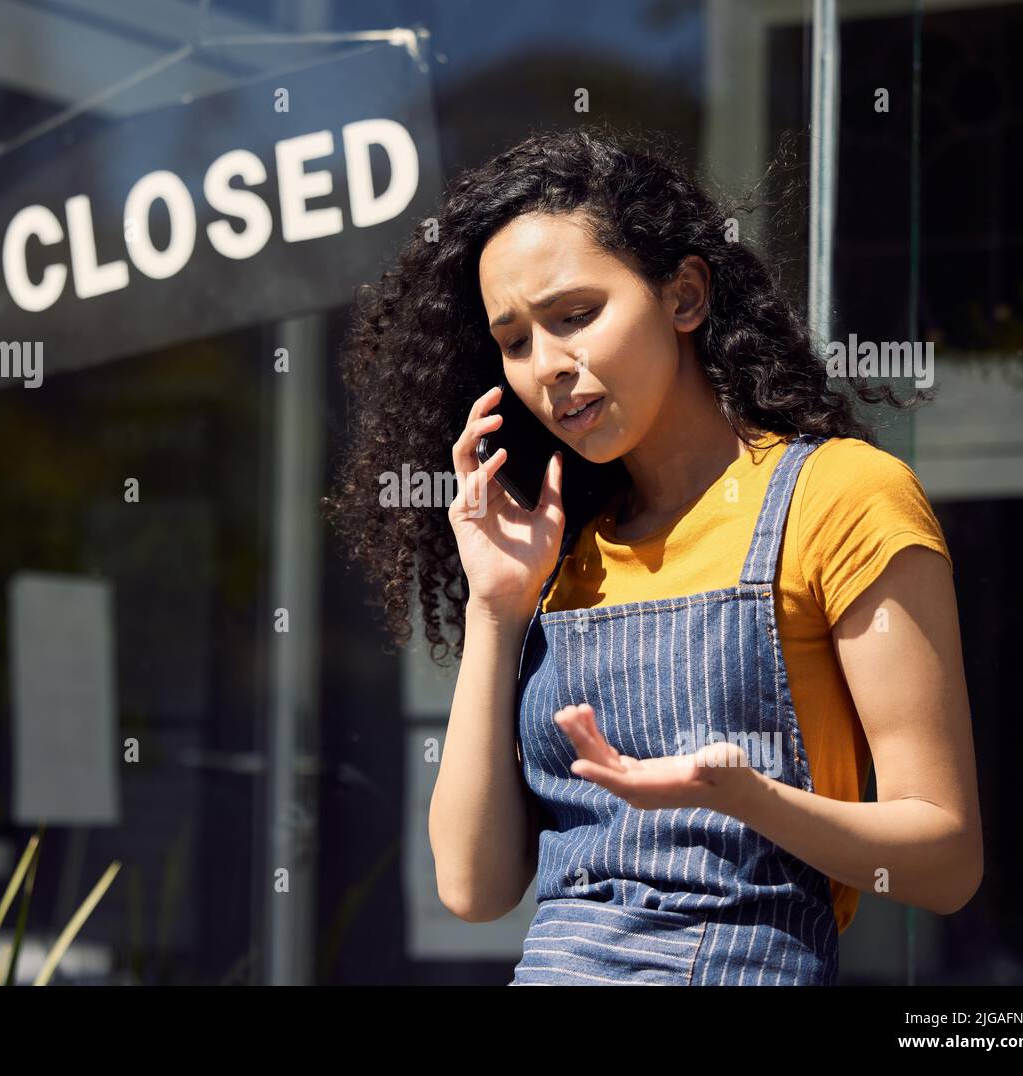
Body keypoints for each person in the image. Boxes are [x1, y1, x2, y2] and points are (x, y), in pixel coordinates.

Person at [323, 124, 982, 985]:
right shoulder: (557, 547)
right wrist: (495, 608)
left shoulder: (841, 497)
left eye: (576, 316)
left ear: (684, 297)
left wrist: (748, 800)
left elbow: (944, 861)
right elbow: (475, 888)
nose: (549, 366)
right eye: (515, 341)